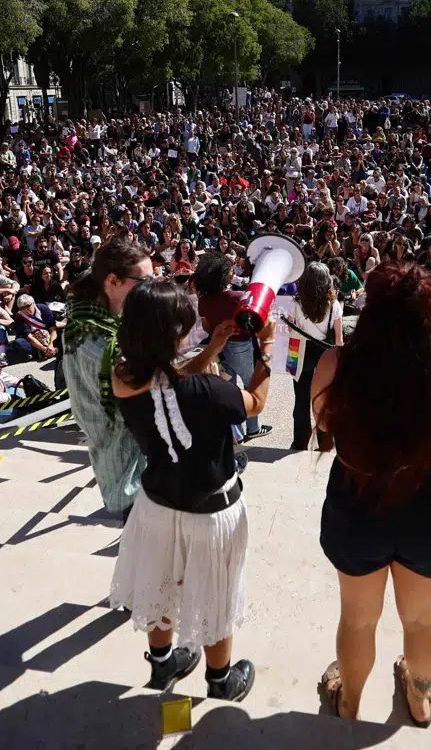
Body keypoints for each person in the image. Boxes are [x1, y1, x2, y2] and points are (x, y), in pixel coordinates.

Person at [311, 263, 431, 725]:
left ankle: (349, 702)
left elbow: (323, 423)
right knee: (421, 616)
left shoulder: (336, 364)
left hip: (357, 498)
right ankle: (419, 698)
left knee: (359, 618)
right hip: (428, 503)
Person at [108, 278, 269, 701]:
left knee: (159, 588)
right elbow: (255, 402)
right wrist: (266, 353)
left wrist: (211, 349)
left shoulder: (124, 376)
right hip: (212, 514)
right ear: (175, 332)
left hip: (157, 507)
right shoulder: (211, 392)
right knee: (215, 597)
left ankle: (163, 667)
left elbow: (167, 383)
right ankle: (220, 681)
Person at [62, 237, 155, 518]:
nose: (151, 288)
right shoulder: (100, 343)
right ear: (113, 281)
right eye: (144, 282)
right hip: (132, 473)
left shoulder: (91, 316)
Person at [193, 251, 272, 443]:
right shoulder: (239, 297)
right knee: (249, 385)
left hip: (219, 347)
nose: (232, 270)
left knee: (227, 387)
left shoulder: (203, 300)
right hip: (241, 346)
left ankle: (235, 433)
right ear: (223, 275)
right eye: (229, 269)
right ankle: (253, 428)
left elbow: (206, 327)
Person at [283, 261, 343, 450]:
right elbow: (339, 338)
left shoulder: (296, 302)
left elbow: (290, 329)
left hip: (301, 353)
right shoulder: (334, 305)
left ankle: (300, 442)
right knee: (324, 401)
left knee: (301, 401)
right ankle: (325, 443)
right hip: (326, 355)